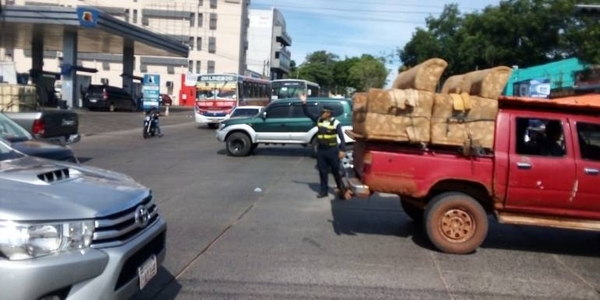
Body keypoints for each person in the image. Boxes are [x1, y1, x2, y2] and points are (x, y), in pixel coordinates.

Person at [299, 92, 347, 199]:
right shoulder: (318, 120)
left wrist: (342, 150)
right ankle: (323, 191)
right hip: (321, 150)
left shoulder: (335, 123)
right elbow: (307, 113)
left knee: (336, 171)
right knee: (322, 171)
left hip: (332, 150)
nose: (322, 113)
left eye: (324, 112)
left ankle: (341, 190)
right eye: (322, 112)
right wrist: (304, 102)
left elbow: (341, 137)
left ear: (329, 113)